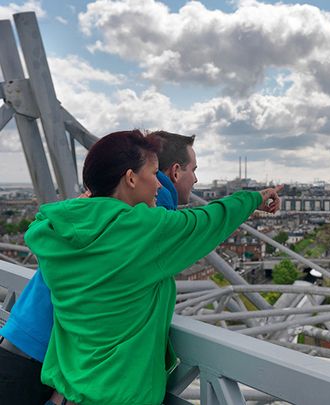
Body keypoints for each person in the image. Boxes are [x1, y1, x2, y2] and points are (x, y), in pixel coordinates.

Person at [7, 130, 281, 405]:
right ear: (131, 178)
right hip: (115, 396)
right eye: (153, 174)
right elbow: (209, 221)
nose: (159, 185)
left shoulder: (55, 230)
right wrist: (256, 197)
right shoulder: (145, 231)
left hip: (65, 392)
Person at [0, 130, 201, 405]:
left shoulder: (98, 199)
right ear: (175, 171)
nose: (197, 180)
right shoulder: (154, 203)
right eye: (193, 170)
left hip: (21, 337)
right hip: (46, 352)